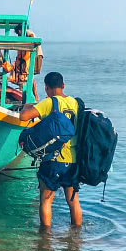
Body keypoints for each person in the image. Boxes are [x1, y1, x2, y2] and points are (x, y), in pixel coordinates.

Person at [19, 72, 81, 229]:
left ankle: (45, 239)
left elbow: (24, 117)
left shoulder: (49, 102)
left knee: (46, 200)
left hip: (52, 160)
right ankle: (76, 237)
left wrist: (28, 107)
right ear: (63, 86)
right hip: (72, 160)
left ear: (46, 88)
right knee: (73, 200)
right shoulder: (75, 103)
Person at [3, 25, 43, 102]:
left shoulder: (28, 32)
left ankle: (35, 95)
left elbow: (31, 38)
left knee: (30, 76)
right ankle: (32, 95)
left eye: (18, 33)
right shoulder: (26, 34)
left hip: (36, 55)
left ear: (20, 30)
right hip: (33, 55)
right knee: (29, 76)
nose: (18, 35)